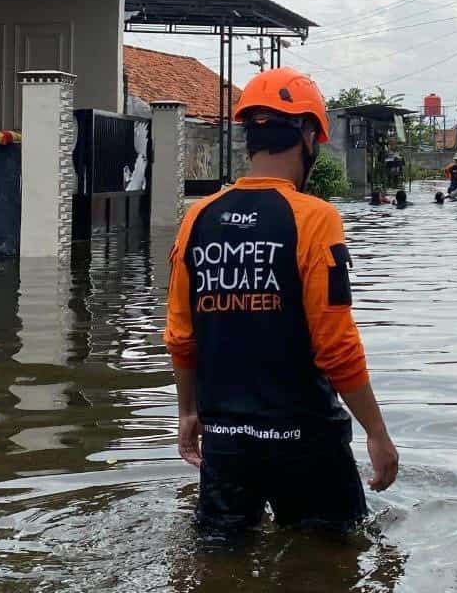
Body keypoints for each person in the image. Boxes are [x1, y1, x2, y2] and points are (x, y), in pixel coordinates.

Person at [165, 67, 399, 535]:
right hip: (305, 441)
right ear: (309, 136)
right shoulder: (315, 219)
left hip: (226, 445)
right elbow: (336, 347)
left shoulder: (198, 218)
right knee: (333, 563)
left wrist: (188, 412)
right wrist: (377, 432)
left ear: (249, 137)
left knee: (218, 565)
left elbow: (181, 337)